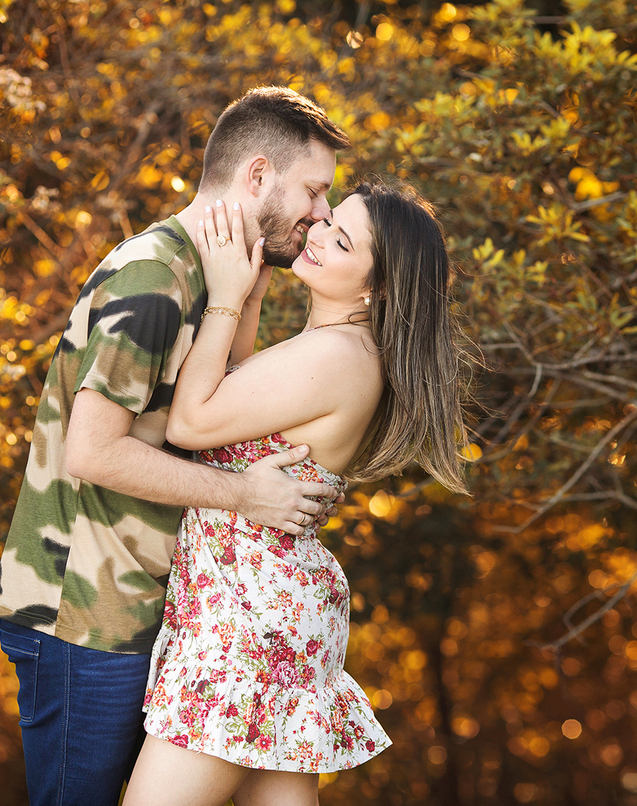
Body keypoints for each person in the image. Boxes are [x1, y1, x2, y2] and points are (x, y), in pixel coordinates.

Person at [0, 86, 351, 806]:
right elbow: (93, 451)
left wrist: (243, 292)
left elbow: (211, 411)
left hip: (139, 616)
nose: (320, 215)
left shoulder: (210, 275)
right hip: (80, 621)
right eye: (313, 191)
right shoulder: (155, 278)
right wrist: (250, 496)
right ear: (256, 178)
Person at [119, 179, 469, 805]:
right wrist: (248, 300)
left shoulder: (337, 355)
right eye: (329, 224)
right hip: (261, 604)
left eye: (343, 243)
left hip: (248, 617)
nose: (317, 239)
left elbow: (193, 423)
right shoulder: (336, 348)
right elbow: (235, 401)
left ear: (375, 287)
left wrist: (224, 296)